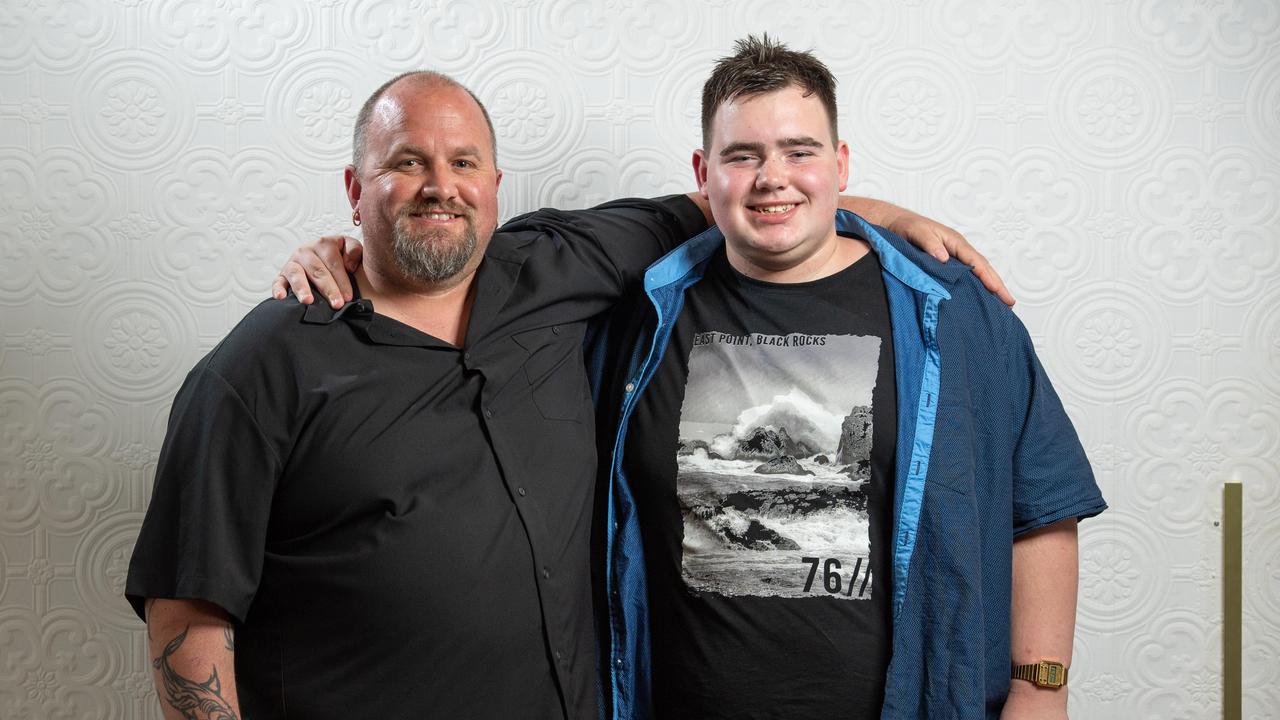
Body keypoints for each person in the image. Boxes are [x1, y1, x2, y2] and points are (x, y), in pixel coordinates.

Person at [127, 70, 996, 720]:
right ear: (355, 192)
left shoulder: (563, 270)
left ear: (496, 187)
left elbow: (734, 201)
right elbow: (187, 609)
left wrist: (867, 209)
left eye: (463, 160)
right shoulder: (260, 368)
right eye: (405, 163)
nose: (440, 183)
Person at [586, 37, 1106, 720]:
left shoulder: (953, 311)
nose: (773, 176)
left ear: (841, 164)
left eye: (800, 151)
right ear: (703, 174)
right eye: (742, 156)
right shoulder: (639, 317)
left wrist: (1041, 691)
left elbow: (1041, 506)